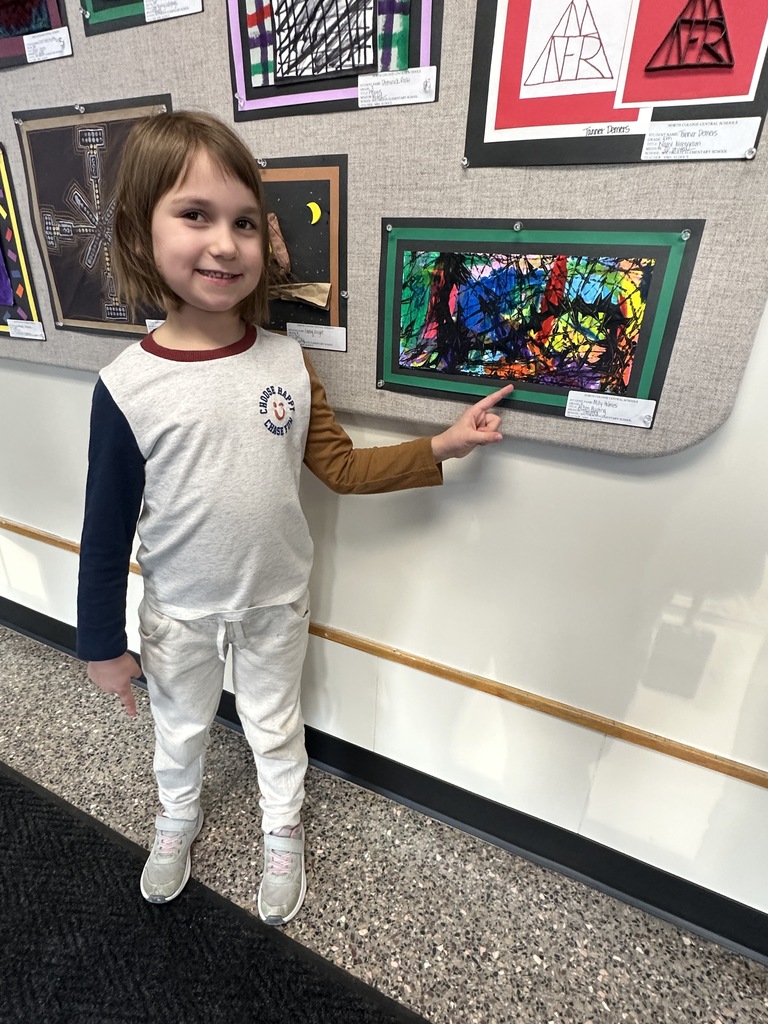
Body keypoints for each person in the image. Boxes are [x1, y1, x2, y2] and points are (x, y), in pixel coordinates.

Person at [76, 110, 513, 927]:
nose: (225, 242)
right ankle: (177, 817)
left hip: (276, 598)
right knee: (181, 728)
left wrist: (441, 447)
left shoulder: (286, 360)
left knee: (275, 724)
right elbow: (103, 531)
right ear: (141, 233)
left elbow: (339, 468)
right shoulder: (126, 386)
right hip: (179, 610)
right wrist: (100, 643)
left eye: (244, 221)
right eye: (195, 215)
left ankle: (283, 825)